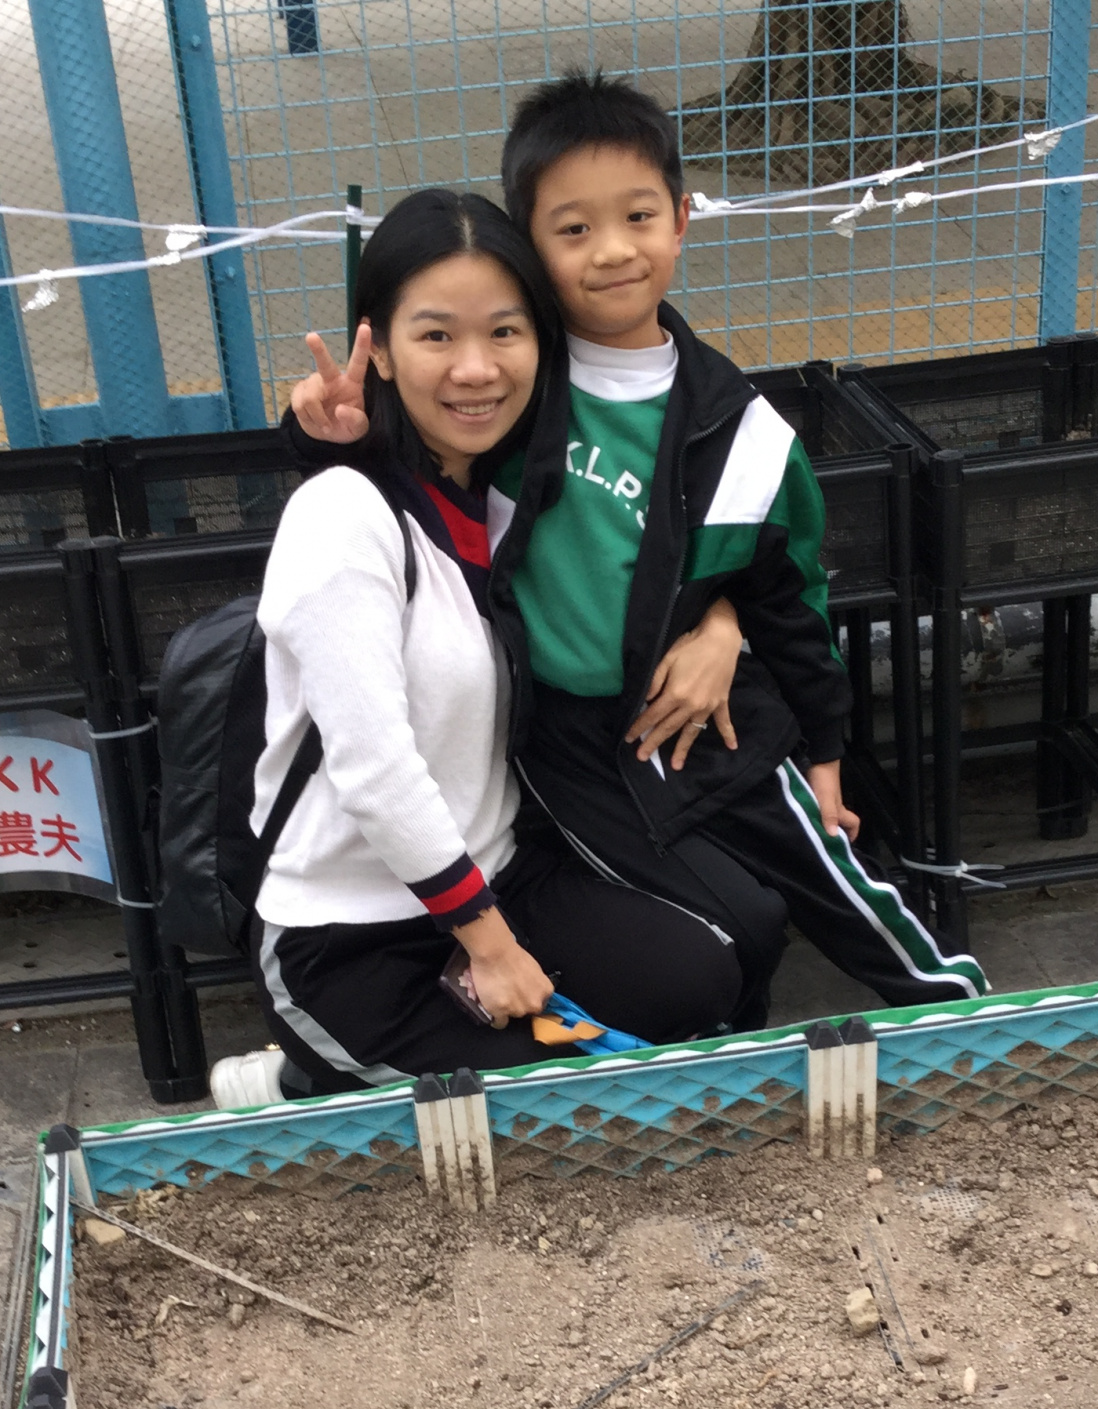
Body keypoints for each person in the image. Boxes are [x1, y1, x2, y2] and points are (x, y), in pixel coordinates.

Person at [288, 72, 988, 1030]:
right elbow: (404, 483)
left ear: (683, 219)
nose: (613, 250)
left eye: (638, 216)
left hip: (705, 720)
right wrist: (322, 439)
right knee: (732, 934)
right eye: (573, 228)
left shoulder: (744, 434)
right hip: (563, 753)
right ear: (530, 247)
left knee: (834, 886)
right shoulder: (514, 385)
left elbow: (790, 599)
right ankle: (723, 1051)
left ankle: (965, 1015)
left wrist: (815, 740)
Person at [235, 187, 743, 1091]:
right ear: (378, 349)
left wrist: (722, 619)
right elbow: (373, 769)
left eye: (505, 331)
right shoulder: (342, 514)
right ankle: (296, 1080)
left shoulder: (506, 492)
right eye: (436, 335)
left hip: (502, 876)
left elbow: (653, 568)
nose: (476, 369)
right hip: (348, 932)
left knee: (698, 980)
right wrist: (493, 947)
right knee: (547, 1109)